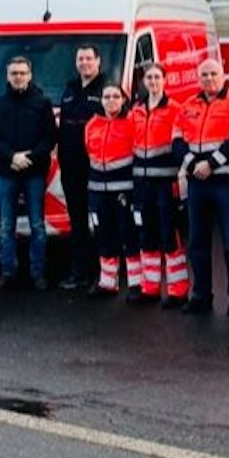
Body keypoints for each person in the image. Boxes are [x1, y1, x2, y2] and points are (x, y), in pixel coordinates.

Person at [175, 59, 229, 316]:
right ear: (198, 78)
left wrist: (210, 164)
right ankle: (201, 295)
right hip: (198, 183)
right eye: (204, 75)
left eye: (213, 74)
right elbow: (176, 140)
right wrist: (193, 164)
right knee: (197, 242)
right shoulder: (188, 105)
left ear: (224, 75)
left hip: (225, 182)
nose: (209, 79)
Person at [0, 56, 56, 291]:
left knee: (37, 224)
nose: (18, 77)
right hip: (6, 171)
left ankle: (38, 273)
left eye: (22, 73)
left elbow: (49, 137)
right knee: (6, 225)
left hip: (34, 172)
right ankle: (7, 272)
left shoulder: (42, 103)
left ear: (30, 75)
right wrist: (11, 157)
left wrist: (29, 158)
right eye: (14, 73)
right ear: (7, 76)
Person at [131, 63, 188, 306]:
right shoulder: (136, 111)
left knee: (169, 235)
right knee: (147, 234)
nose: (152, 81)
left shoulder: (175, 109)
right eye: (149, 77)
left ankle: (178, 290)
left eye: (157, 77)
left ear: (165, 81)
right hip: (142, 183)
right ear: (143, 82)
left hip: (165, 182)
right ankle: (150, 287)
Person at [55, 45, 109, 291]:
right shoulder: (69, 89)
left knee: (100, 222)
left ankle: (103, 275)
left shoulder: (108, 89)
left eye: (89, 58)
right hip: (71, 167)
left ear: (98, 61)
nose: (85, 63)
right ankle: (78, 273)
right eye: (81, 59)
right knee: (77, 223)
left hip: (97, 168)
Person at [84, 83, 138, 300]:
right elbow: (89, 153)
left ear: (124, 99)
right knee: (104, 236)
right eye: (106, 96)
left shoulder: (132, 122)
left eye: (116, 96)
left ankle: (135, 284)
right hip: (98, 190)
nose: (111, 100)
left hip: (124, 190)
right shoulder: (92, 124)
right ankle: (107, 282)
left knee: (129, 235)